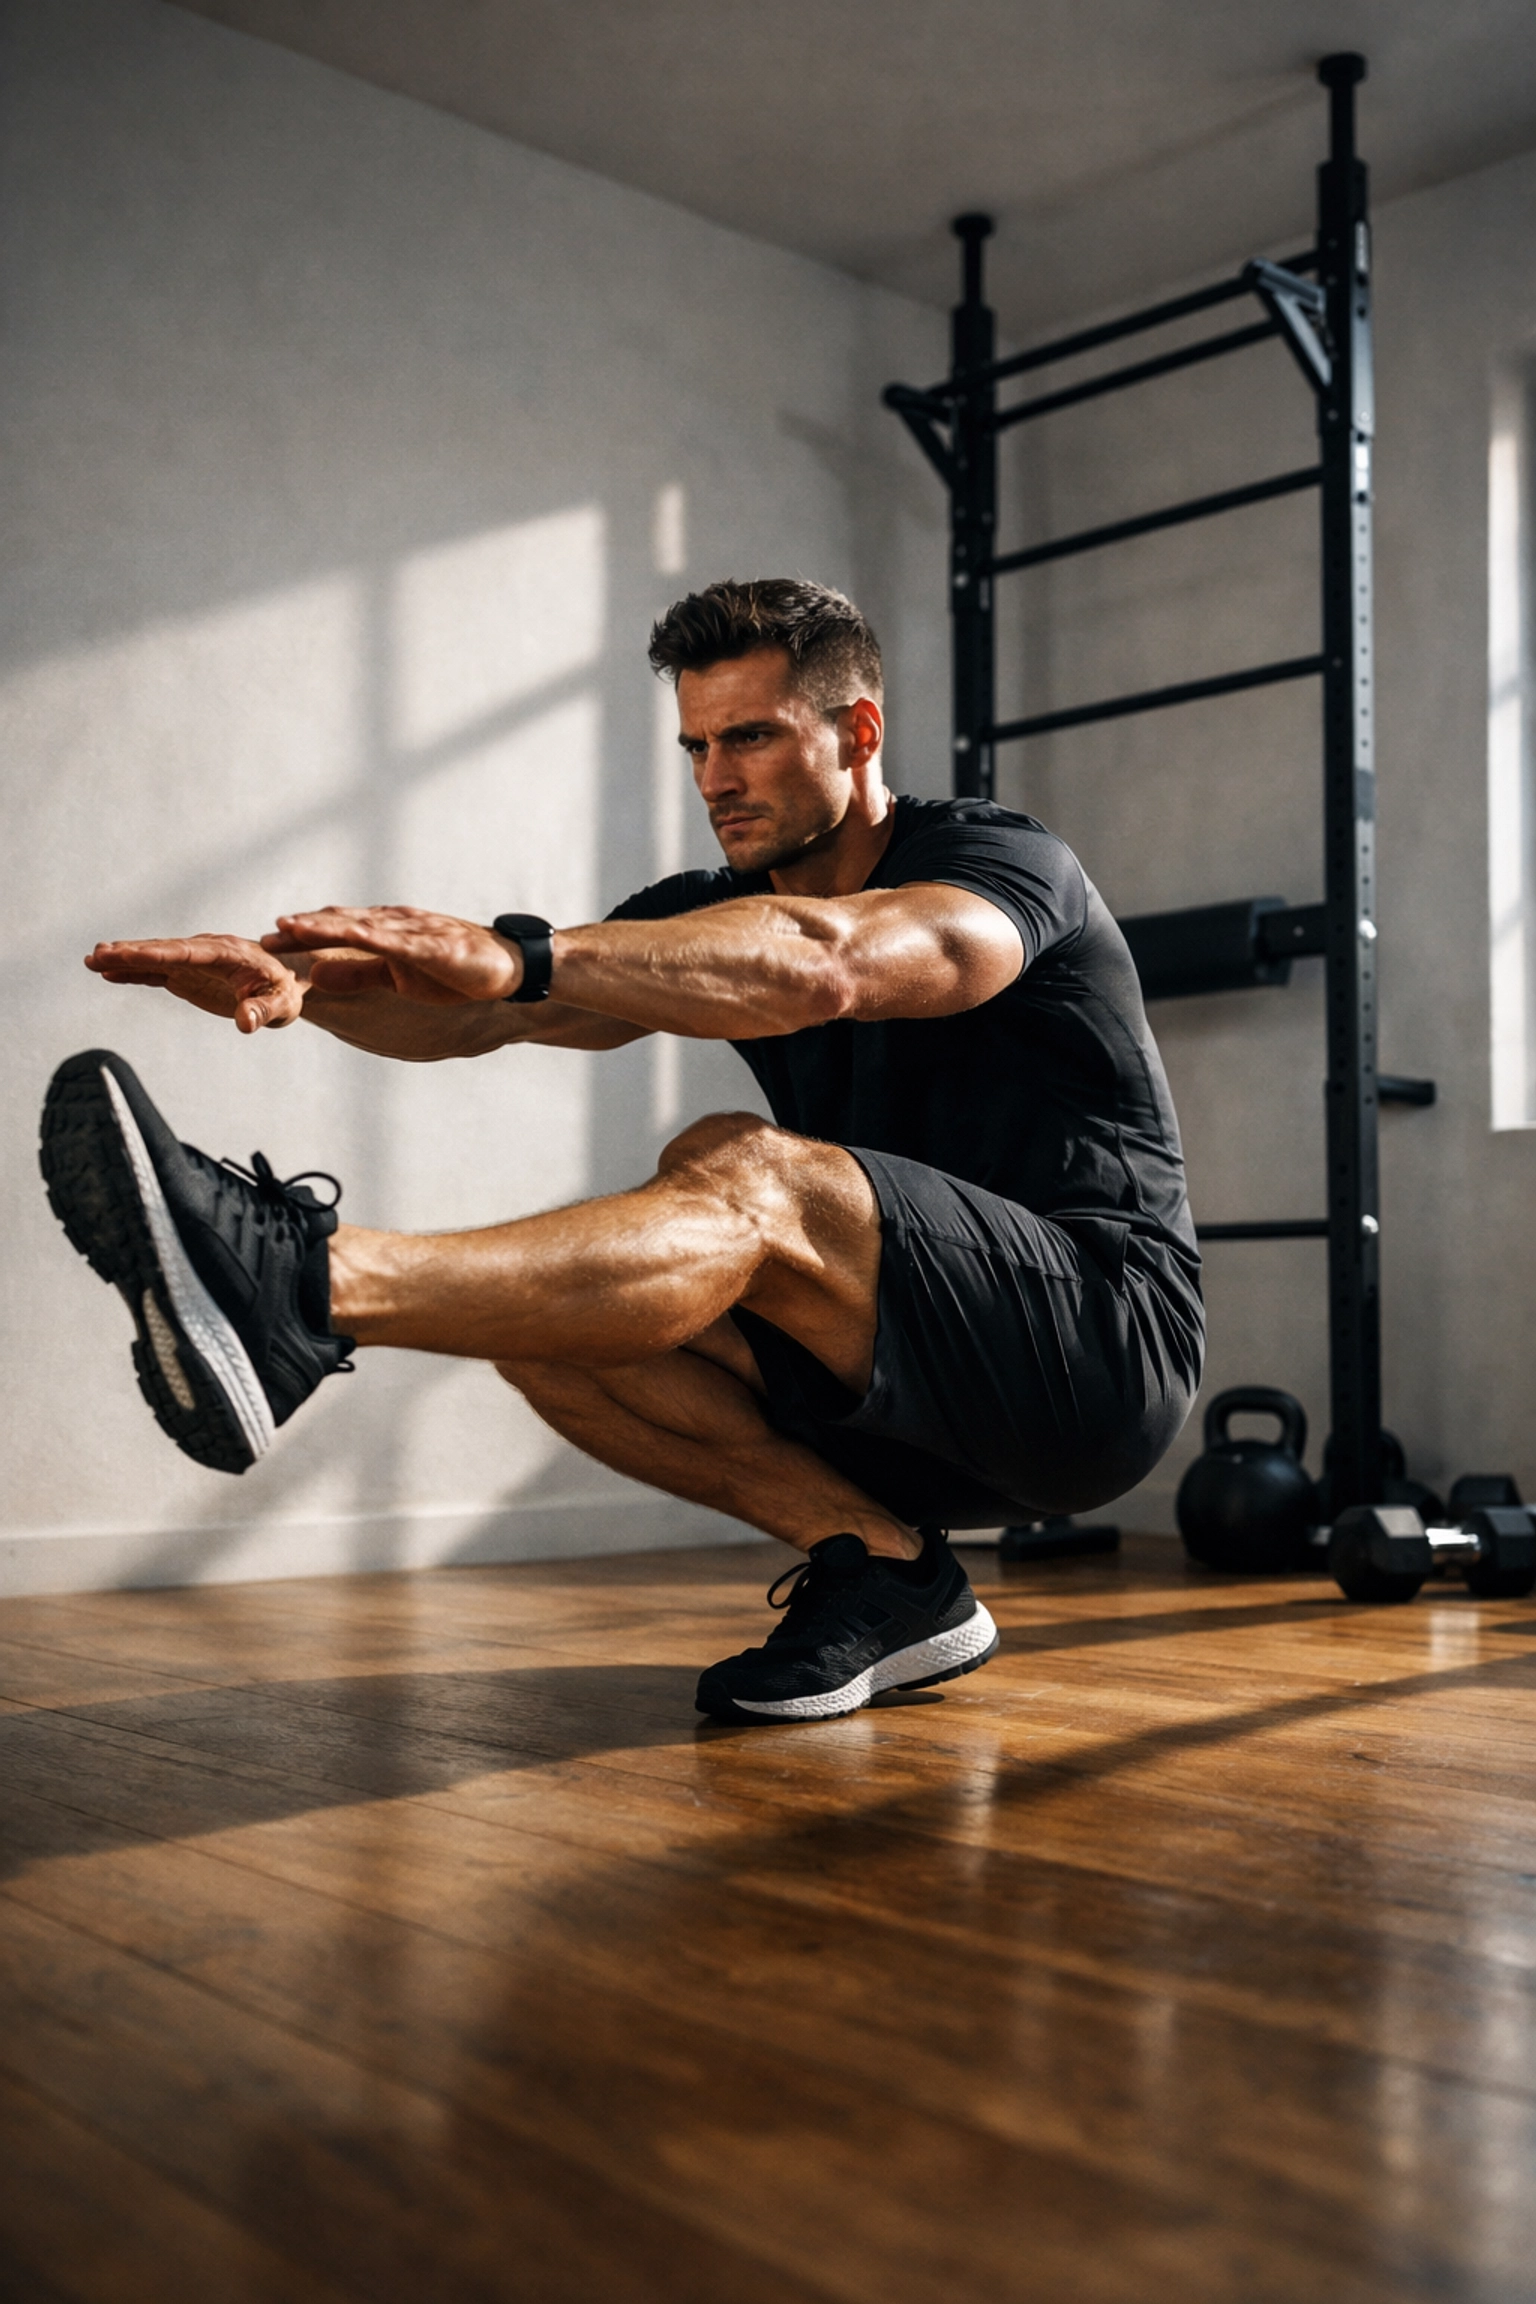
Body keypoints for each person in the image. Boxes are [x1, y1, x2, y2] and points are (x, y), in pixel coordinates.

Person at [41, 578, 1203, 1724]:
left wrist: (529, 953)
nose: (715, 778)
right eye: (697, 744)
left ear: (858, 733)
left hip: (1093, 1361)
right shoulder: (707, 907)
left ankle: (307, 1285)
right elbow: (479, 1017)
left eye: (750, 737)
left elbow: (830, 962)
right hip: (895, 1402)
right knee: (551, 1316)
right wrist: (306, 985)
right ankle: (892, 1576)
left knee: (740, 1164)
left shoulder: (1002, 864)